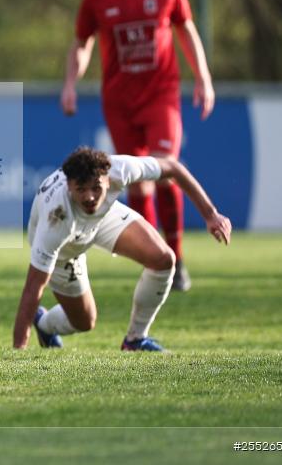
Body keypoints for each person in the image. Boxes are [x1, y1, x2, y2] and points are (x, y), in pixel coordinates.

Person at [61, 0, 216, 293]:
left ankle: (175, 260)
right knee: (139, 187)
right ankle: (155, 259)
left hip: (161, 96)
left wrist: (204, 78)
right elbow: (82, 43)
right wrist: (70, 83)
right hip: (119, 103)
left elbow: (186, 31)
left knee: (164, 170)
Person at [13, 146, 231, 352]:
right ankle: (43, 323)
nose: (89, 197)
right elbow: (33, 288)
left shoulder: (119, 168)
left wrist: (210, 214)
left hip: (102, 217)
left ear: (107, 180)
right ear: (69, 186)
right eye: (81, 189)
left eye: (96, 188)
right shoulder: (56, 219)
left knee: (163, 259)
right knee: (85, 322)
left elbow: (173, 168)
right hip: (66, 248)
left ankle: (135, 340)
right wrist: (19, 350)